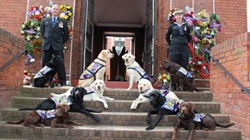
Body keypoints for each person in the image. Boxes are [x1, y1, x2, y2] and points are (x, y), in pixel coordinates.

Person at [40, 4, 69, 86]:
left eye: (57, 9)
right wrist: (47, 39)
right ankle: (43, 82)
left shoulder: (63, 21)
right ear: (51, 10)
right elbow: (43, 33)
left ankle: (62, 82)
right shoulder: (45, 20)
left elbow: (66, 35)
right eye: (54, 9)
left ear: (59, 11)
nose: (55, 10)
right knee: (45, 64)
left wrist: (60, 42)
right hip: (47, 45)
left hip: (57, 46)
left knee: (60, 64)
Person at [165, 9, 192, 90]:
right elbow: (167, 37)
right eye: (177, 16)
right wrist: (172, 44)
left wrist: (184, 42)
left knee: (184, 66)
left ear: (182, 16)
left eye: (180, 15)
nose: (178, 17)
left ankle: (184, 85)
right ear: (175, 17)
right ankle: (174, 85)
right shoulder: (172, 26)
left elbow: (189, 37)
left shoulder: (186, 26)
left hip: (184, 49)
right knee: (173, 67)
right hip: (174, 49)